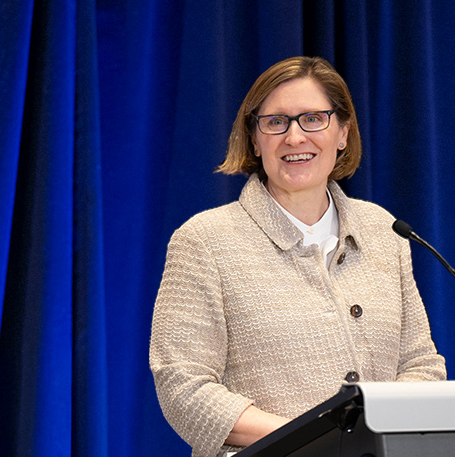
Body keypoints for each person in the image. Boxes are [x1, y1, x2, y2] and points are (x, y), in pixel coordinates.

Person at [148, 56, 447, 457]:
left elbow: (421, 364)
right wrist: (315, 439)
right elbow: (182, 385)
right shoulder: (205, 240)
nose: (294, 137)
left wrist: (378, 434)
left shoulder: (383, 231)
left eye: (313, 119)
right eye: (275, 122)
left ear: (343, 132)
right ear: (254, 138)